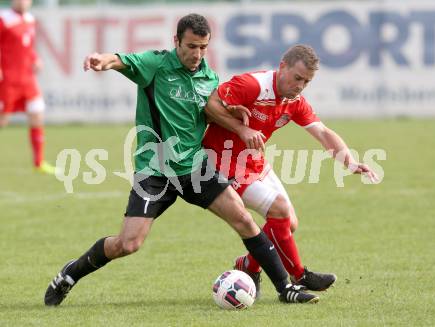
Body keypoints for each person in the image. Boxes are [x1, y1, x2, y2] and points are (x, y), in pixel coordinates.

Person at [44, 14, 320, 307]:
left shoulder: (208, 78)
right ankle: (70, 274)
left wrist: (234, 116)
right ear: (176, 41)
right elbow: (121, 60)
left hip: (195, 168)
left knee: (243, 219)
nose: (197, 54)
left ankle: (286, 288)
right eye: (191, 46)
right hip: (155, 171)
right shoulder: (156, 65)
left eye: (203, 47)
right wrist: (102, 59)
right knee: (128, 244)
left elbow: (212, 112)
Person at [203, 44, 379, 297]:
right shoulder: (252, 85)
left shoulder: (294, 101)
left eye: (306, 82)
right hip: (223, 162)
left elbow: (322, 132)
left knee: (288, 224)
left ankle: (248, 264)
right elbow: (211, 106)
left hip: (255, 163)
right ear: (282, 66)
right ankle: (299, 276)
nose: (300, 86)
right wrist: (241, 128)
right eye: (297, 78)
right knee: (281, 211)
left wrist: (349, 161)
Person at [0, 0, 55, 174]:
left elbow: (27, 46)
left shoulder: (30, 20)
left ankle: (39, 162)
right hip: (8, 80)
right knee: (3, 120)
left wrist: (35, 58)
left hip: (28, 79)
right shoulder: (4, 19)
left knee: (37, 113)